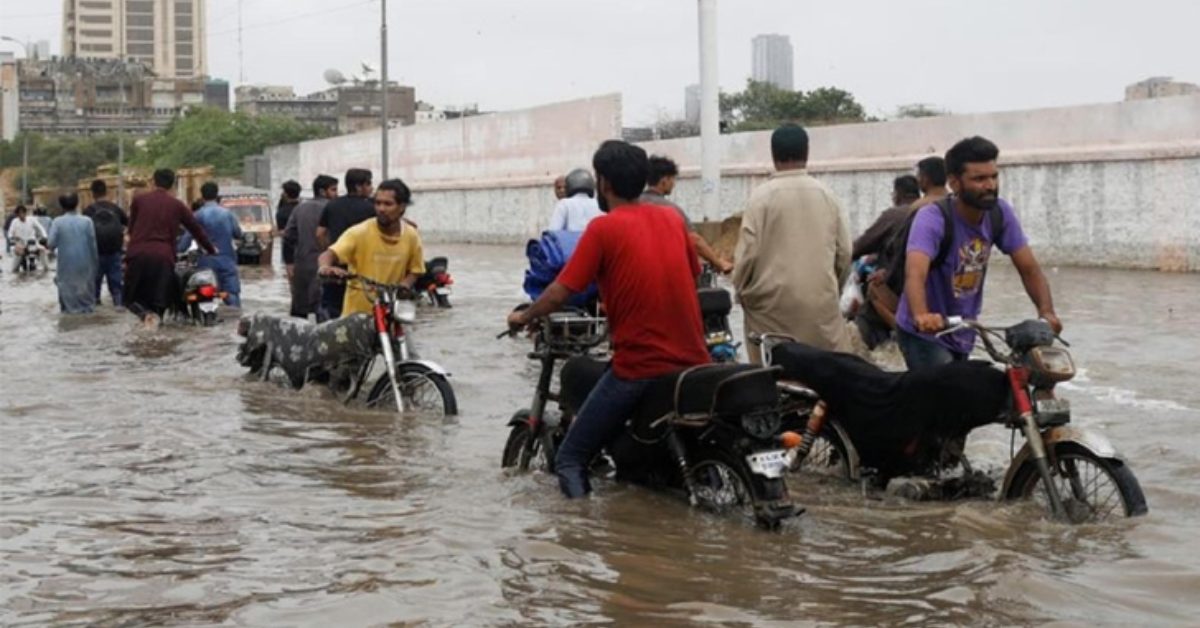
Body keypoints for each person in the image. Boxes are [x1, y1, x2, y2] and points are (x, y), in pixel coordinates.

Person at [507, 140, 710, 498]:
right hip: (695, 361)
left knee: (570, 457)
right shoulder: (672, 220)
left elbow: (561, 291)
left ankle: (581, 537)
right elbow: (690, 277)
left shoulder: (603, 229)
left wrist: (526, 315)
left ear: (603, 183)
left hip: (640, 367)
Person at [897, 136, 1061, 369]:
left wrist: (1047, 313)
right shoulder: (932, 218)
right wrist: (922, 315)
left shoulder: (1000, 213)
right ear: (954, 183)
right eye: (979, 179)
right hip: (925, 334)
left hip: (964, 329)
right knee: (945, 392)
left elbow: (1029, 268)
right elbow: (915, 273)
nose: (990, 185)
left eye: (994, 176)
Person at [733, 124, 855, 360]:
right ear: (807, 152)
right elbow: (845, 252)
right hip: (820, 307)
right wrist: (830, 288)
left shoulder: (761, 197)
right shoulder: (827, 195)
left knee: (772, 376)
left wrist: (741, 291)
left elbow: (748, 255)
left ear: (773, 154)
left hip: (770, 308)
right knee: (829, 374)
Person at [317, 178, 425, 316]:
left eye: (388, 204)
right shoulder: (359, 232)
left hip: (391, 312)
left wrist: (405, 285)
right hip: (357, 317)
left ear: (402, 207)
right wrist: (325, 267)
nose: (381, 209)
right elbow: (328, 254)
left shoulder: (411, 235)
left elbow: (416, 270)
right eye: (378, 203)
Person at [125, 168, 216, 327]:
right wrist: (211, 249)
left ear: (153, 182)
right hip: (163, 258)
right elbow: (197, 230)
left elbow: (131, 230)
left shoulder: (139, 201)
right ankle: (157, 329)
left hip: (137, 255)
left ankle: (144, 315)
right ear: (173, 185)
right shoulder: (177, 205)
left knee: (129, 298)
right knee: (160, 302)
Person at [640, 155, 734, 274]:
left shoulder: (633, 205)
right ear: (664, 180)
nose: (673, 184)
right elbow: (695, 241)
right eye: (672, 179)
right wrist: (718, 263)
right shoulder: (671, 210)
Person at [316, 168, 375, 321]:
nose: (371, 188)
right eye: (368, 184)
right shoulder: (372, 208)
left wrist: (330, 253)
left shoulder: (332, 205)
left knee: (332, 310)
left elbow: (320, 233)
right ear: (358, 187)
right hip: (364, 268)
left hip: (336, 267)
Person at [179, 182, 244, 307]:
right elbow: (238, 234)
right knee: (232, 295)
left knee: (205, 296)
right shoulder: (227, 214)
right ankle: (235, 322)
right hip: (227, 261)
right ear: (217, 194)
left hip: (206, 262)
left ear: (202, 196)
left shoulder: (197, 215)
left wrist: (176, 250)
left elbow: (185, 243)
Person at [284, 174, 338, 319]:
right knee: (324, 312)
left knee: (299, 312)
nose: (336, 194)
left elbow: (288, 236)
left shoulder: (299, 208)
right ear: (322, 191)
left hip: (302, 265)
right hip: (327, 267)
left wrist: (289, 264)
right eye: (333, 190)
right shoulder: (333, 208)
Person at [46, 193, 99, 314]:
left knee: (67, 305)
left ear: (62, 206)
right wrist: (95, 266)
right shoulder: (87, 221)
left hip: (66, 268)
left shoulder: (57, 222)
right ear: (77, 204)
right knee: (87, 304)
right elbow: (93, 246)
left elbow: (50, 243)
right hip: (85, 266)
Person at [852, 175, 920, 260]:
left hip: (895, 270)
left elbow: (865, 242)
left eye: (893, 193)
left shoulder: (894, 214)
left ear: (898, 194)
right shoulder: (929, 210)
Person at [83, 179, 128, 306]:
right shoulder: (115, 209)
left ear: (92, 194)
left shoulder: (88, 211)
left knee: (94, 289)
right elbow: (128, 224)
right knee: (117, 287)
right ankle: (119, 307)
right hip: (114, 253)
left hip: (95, 254)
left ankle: (96, 314)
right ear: (106, 192)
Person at [7, 205, 49, 271]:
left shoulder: (32, 220)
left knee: (42, 250)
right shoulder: (14, 222)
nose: (21, 215)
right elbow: (10, 233)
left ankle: (46, 268)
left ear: (25, 213)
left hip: (33, 243)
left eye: (23, 212)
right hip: (20, 244)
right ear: (17, 214)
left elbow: (41, 228)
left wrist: (44, 237)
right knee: (14, 269)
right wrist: (12, 239)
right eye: (19, 213)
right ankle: (19, 264)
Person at [276, 180, 302, 286]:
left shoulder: (281, 212)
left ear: (285, 194)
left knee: (292, 282)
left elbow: (283, 233)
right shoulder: (304, 207)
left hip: (289, 251)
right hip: (307, 248)